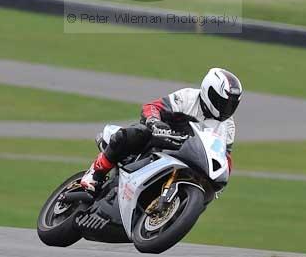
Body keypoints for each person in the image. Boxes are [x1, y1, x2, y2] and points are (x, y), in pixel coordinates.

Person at [80, 67, 242, 193]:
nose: (226, 109)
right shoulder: (189, 97)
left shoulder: (228, 126)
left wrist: (222, 176)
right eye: (223, 102)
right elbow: (152, 107)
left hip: (191, 158)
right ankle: (95, 173)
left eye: (231, 104)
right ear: (209, 91)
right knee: (137, 133)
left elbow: (224, 156)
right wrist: (154, 122)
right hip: (163, 138)